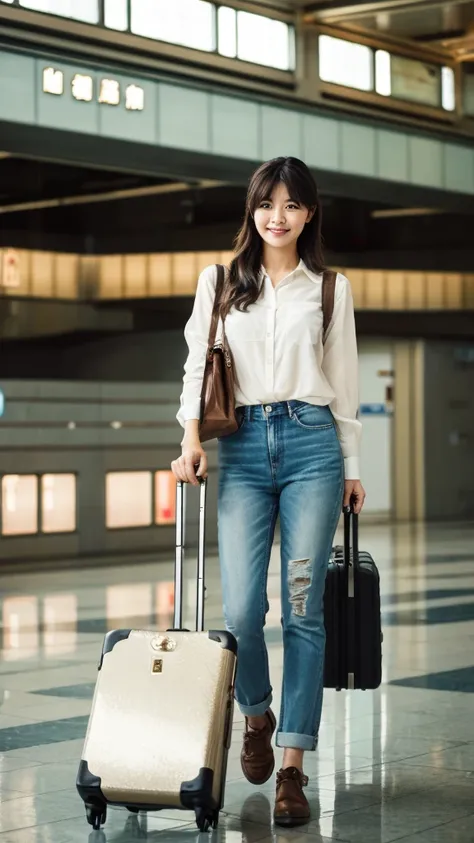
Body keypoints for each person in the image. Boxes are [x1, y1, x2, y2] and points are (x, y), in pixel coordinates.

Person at [172, 156, 365, 827]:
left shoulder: (331, 288)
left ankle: (292, 767)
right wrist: (190, 438)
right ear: (252, 209)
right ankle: (256, 711)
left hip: (312, 445)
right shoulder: (220, 280)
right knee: (245, 608)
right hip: (244, 448)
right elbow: (198, 362)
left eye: (290, 204)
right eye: (266, 203)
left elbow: (344, 382)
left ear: (309, 213)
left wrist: (351, 465)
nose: (276, 216)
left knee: (304, 609)